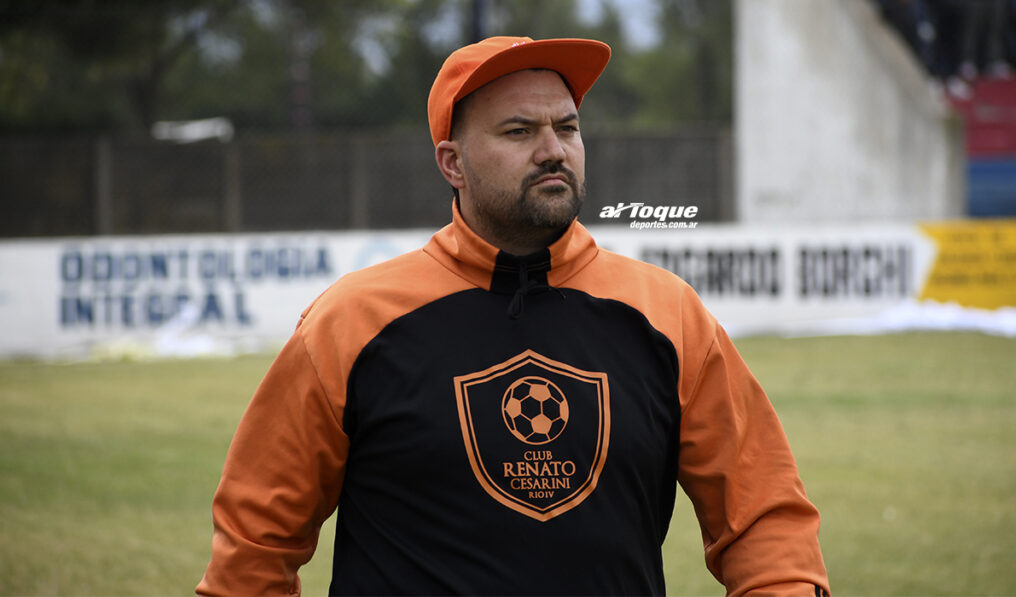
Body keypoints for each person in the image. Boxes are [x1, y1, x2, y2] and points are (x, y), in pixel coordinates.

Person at [197, 36, 830, 596]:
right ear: (453, 163)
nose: (554, 150)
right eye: (519, 131)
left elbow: (764, 515)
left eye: (568, 128)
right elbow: (256, 542)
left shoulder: (667, 314)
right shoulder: (352, 322)